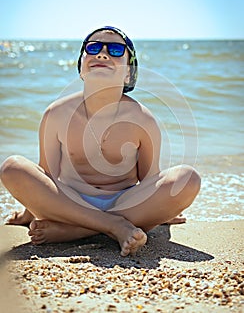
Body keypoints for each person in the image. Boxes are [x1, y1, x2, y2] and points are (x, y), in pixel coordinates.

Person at [0, 26, 201, 256]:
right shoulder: (57, 113)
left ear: (128, 73)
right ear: (82, 68)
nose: (102, 54)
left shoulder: (142, 119)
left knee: (187, 179)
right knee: (12, 167)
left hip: (123, 202)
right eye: (93, 48)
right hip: (70, 203)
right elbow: (47, 176)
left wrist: (164, 209)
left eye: (115, 50)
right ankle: (113, 226)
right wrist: (28, 213)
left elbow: (151, 181)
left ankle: (77, 231)